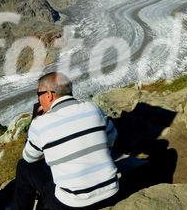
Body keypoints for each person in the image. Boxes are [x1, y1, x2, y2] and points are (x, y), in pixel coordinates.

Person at [14, 72, 119, 210]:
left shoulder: (41, 123)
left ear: (49, 95)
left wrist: (36, 121)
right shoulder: (93, 108)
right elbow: (112, 136)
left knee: (23, 167)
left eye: (38, 94)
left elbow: (29, 157)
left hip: (73, 203)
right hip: (112, 192)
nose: (39, 100)